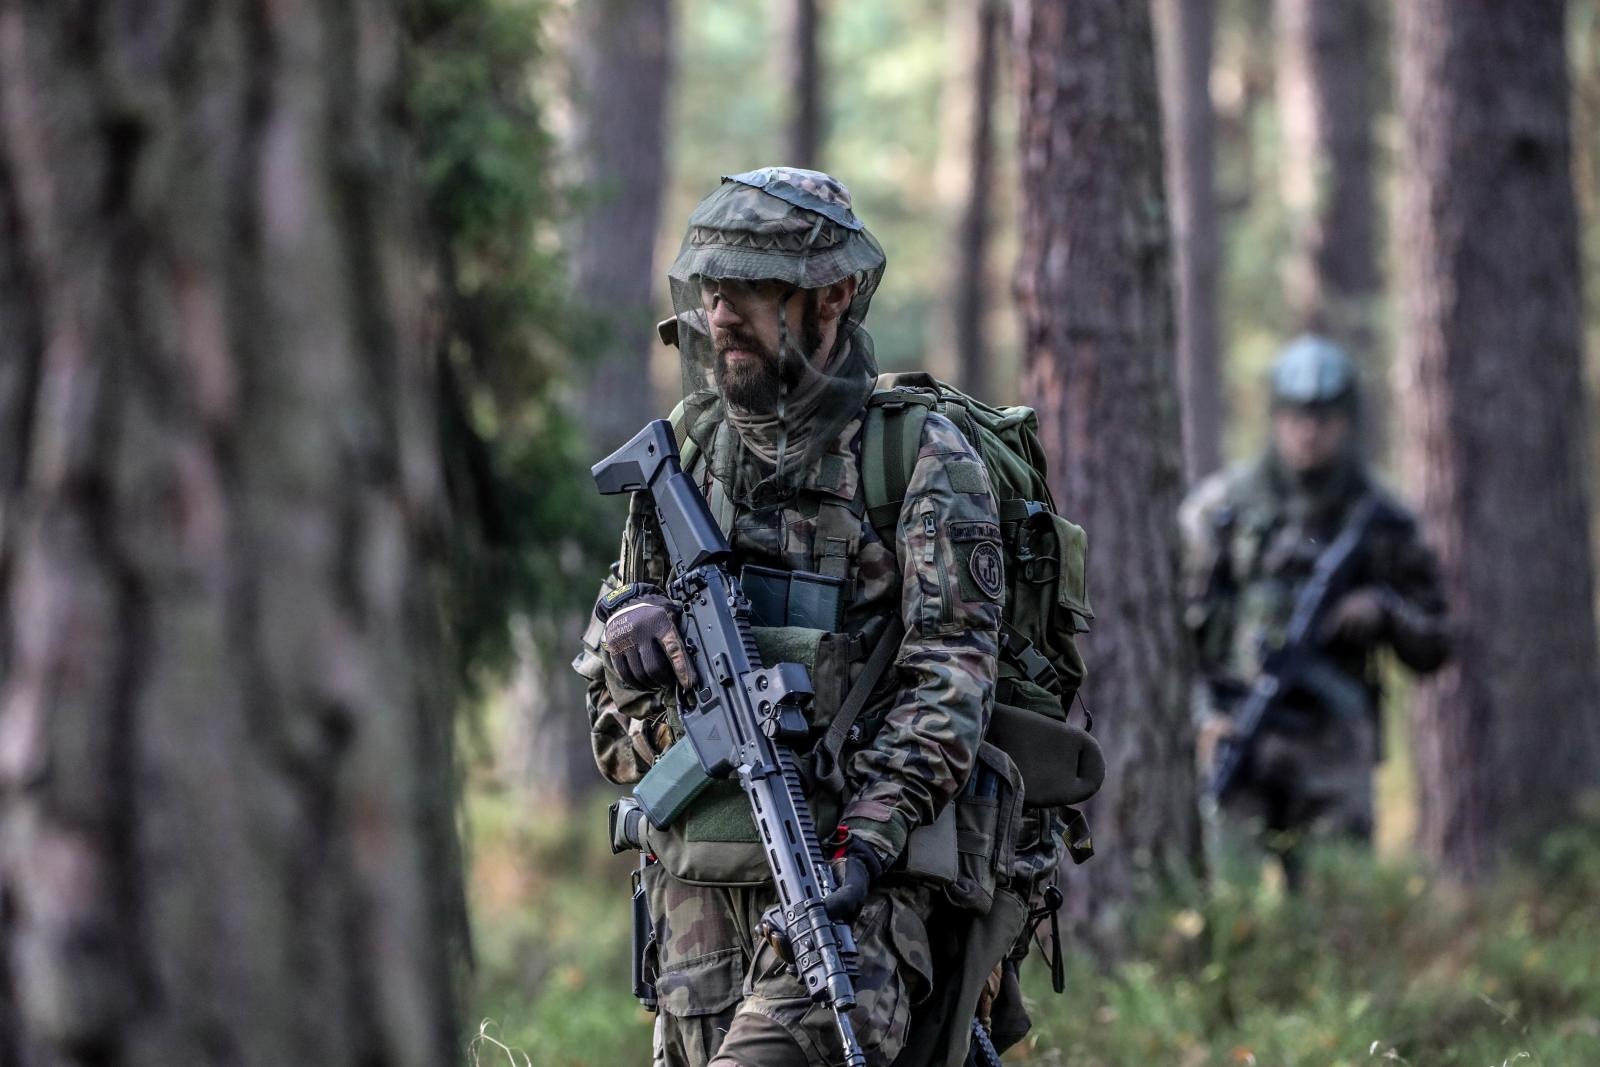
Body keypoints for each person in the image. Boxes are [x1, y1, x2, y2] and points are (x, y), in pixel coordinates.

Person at [573, 168, 1007, 1067]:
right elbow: (609, 717)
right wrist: (635, 643)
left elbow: (950, 681)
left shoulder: (919, 457)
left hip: (853, 902)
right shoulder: (685, 456)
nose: (722, 312)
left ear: (833, 296)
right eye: (713, 288)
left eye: (754, 290)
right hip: (695, 922)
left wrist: (863, 843)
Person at [1180, 335, 1450, 884]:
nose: (1309, 429)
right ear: (1276, 418)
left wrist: (1384, 609)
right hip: (1240, 732)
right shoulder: (1222, 507)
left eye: (1323, 417)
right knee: (1235, 911)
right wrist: (1203, 713)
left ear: (1346, 421)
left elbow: (1437, 640)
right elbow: (1174, 632)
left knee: (1341, 909)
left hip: (1334, 748)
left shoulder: (1383, 518)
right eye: (1296, 415)